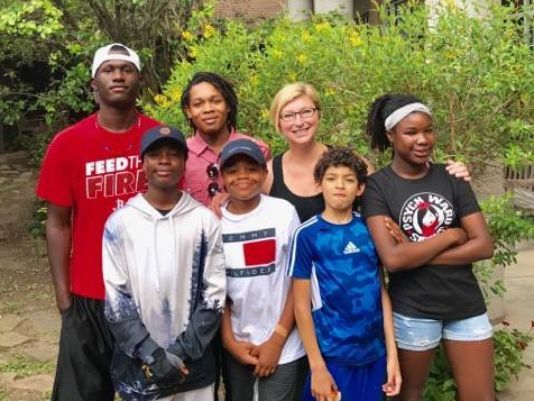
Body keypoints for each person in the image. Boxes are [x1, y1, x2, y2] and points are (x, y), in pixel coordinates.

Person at [36, 43, 159, 401]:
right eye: (109, 70)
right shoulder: (67, 144)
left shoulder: (160, 140)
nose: (118, 75)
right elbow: (58, 223)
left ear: (139, 80)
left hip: (149, 296)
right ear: (94, 83)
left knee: (154, 392)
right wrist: (64, 297)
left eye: (126, 69)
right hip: (88, 297)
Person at [362, 93, 495, 401]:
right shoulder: (378, 188)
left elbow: (484, 245)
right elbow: (393, 260)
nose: (422, 139)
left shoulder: (451, 178)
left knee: (481, 397)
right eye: (411, 132)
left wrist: (415, 252)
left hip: (465, 304)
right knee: (408, 394)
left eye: (428, 130)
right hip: (413, 308)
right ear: (391, 135)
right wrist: (449, 236)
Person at [103, 125, 226, 401]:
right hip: (140, 368)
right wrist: (152, 354)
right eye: (156, 154)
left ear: (185, 162)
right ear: (143, 163)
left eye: (173, 154)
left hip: (194, 367)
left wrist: (180, 353)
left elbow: (214, 294)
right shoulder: (120, 224)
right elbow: (115, 300)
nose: (165, 161)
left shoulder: (204, 221)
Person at [265, 82, 471, 222]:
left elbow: (395, 194)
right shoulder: (269, 174)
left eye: (306, 112)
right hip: (296, 282)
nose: (299, 122)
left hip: (353, 276)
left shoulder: (351, 162)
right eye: (289, 115)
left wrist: (446, 174)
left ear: (318, 115)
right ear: (278, 123)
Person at [288, 147, 401, 401]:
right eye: (331, 178)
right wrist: (317, 366)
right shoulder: (307, 235)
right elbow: (301, 306)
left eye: (349, 179)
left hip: (375, 356)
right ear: (319, 184)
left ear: (360, 188)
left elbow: (381, 292)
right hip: (332, 358)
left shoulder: (370, 229)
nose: (340, 185)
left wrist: (392, 357)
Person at [218, 139, 307, 401]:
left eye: (251, 168)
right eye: (233, 171)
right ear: (222, 177)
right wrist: (230, 342)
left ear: (265, 173)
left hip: (285, 343)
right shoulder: (214, 222)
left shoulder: (283, 212)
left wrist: (277, 340)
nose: (242, 176)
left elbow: (299, 281)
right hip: (238, 343)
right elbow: (216, 290)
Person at [180, 72, 270, 207]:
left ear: (228, 105)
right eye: (198, 104)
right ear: (189, 111)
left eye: (216, 101)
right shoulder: (179, 155)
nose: (208, 109)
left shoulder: (258, 150)